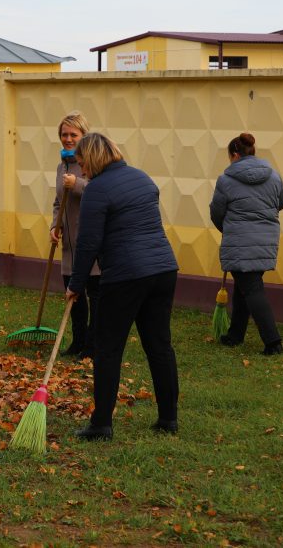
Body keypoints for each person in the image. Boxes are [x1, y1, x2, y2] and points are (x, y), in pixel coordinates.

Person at [65, 133, 180, 441]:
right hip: (164, 269)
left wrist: (75, 284)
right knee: (159, 345)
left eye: (82, 165)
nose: (81, 172)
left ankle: (101, 424)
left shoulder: (97, 190)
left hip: (126, 275)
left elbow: (87, 243)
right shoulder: (142, 178)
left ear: (92, 159)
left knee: (107, 349)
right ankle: (168, 419)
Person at [209, 132, 283, 356]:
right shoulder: (273, 175)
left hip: (240, 240)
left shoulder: (226, 180)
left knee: (252, 289)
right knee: (245, 287)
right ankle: (235, 335)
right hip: (267, 240)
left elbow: (217, 212)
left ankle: (273, 343)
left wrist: (229, 228)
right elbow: (282, 201)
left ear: (234, 155)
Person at [50, 111, 100, 359]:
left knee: (94, 298)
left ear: (84, 135)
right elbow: (58, 202)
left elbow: (100, 192)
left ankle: (92, 345)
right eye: (64, 134)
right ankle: (78, 341)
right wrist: (54, 226)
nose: (68, 139)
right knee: (74, 299)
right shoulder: (61, 165)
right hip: (69, 246)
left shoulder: (93, 163)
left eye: (73, 134)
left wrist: (78, 184)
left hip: (90, 245)